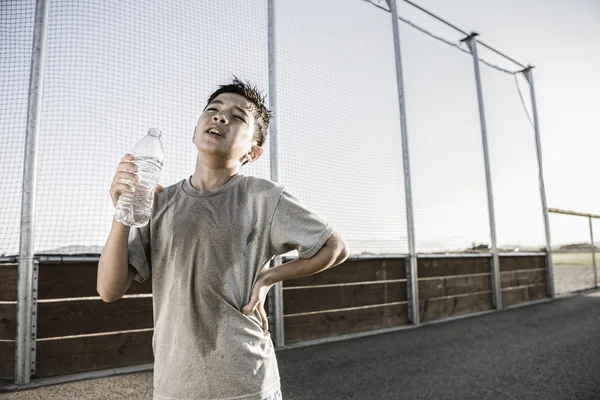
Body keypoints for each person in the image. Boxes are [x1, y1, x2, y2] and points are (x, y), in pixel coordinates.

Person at [97, 77, 349, 400]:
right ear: (194, 130)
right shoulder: (158, 201)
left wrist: (270, 277)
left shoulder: (264, 198)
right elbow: (108, 289)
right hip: (175, 390)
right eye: (213, 110)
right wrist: (122, 212)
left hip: (247, 385)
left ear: (253, 152)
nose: (220, 117)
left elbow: (335, 247)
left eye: (237, 116)